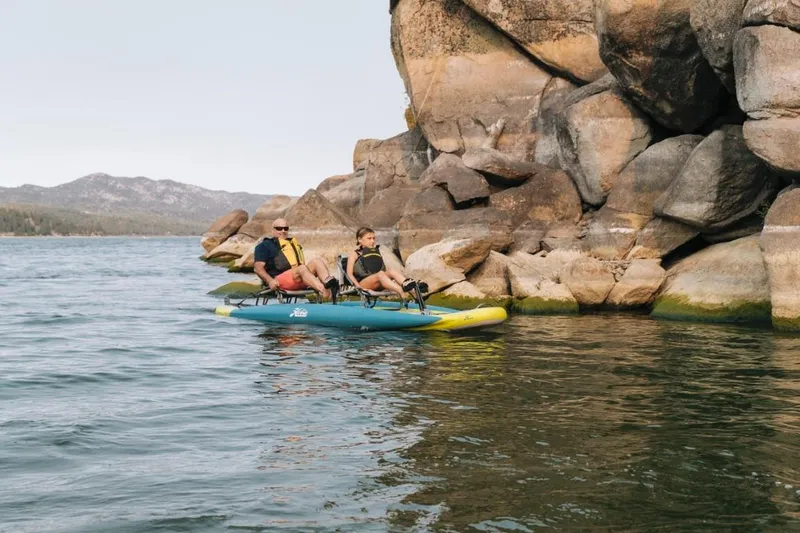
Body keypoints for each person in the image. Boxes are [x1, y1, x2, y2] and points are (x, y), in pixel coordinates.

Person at [253, 218, 339, 299]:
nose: (283, 231)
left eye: (285, 228)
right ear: (272, 230)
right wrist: (270, 281)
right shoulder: (264, 246)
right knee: (301, 268)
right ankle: (323, 292)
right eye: (279, 228)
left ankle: (329, 285)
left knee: (317, 261)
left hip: (298, 278)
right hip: (279, 281)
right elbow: (258, 269)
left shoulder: (292, 244)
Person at [346, 227, 427, 302]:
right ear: (360, 239)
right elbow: (349, 274)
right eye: (369, 238)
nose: (372, 241)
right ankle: (400, 290)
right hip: (364, 284)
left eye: (374, 238)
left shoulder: (376, 252)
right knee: (381, 274)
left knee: (391, 271)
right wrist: (358, 286)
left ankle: (414, 292)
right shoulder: (354, 254)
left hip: (379, 281)